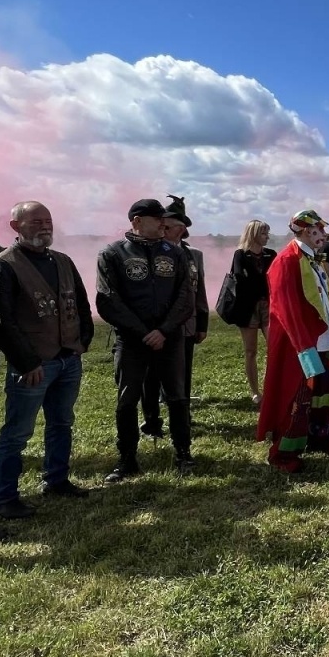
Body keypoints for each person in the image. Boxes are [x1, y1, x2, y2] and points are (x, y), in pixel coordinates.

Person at [0, 201, 95, 518]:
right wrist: (26, 362)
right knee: (17, 433)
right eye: (35, 222)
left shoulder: (63, 261)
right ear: (15, 226)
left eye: (47, 221)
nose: (44, 227)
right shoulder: (3, 265)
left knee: (62, 423)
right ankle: (4, 498)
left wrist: (81, 342)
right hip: (34, 365)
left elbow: (82, 304)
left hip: (67, 359)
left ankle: (57, 480)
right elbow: (2, 321)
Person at [96, 198, 196, 481]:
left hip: (169, 339)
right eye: (157, 219)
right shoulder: (113, 254)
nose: (164, 223)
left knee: (177, 396)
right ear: (137, 222)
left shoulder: (175, 253)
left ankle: (183, 454)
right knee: (127, 399)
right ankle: (127, 459)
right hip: (131, 341)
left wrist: (163, 330)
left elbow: (185, 297)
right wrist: (142, 332)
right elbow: (108, 299)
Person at [257, 209, 329, 473]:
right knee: (298, 398)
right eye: (319, 230)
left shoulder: (313, 259)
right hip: (303, 345)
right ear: (306, 230)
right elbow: (286, 309)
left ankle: (320, 438)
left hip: (325, 340)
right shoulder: (286, 260)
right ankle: (285, 452)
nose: (324, 234)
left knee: (324, 394)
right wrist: (304, 347)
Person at [141, 196, 208, 439]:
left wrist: (202, 323)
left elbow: (199, 291)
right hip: (153, 326)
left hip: (185, 325)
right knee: (150, 377)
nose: (163, 228)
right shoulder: (146, 251)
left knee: (182, 375)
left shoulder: (194, 255)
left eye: (168, 225)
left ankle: (182, 418)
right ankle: (152, 422)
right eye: (162, 224)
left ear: (180, 229)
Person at [228, 220, 276, 402]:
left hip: (268, 305)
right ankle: (255, 391)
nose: (267, 237)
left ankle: (272, 387)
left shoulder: (271, 254)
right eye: (263, 233)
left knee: (275, 348)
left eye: (267, 233)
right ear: (254, 234)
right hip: (247, 308)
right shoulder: (240, 254)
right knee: (250, 350)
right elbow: (239, 277)